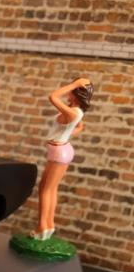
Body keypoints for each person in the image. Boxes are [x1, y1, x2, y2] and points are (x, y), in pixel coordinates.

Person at [31, 77, 94, 240]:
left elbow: (53, 96)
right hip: (61, 149)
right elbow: (79, 127)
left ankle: (42, 227)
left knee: (45, 190)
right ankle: (49, 225)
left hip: (59, 152)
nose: (68, 92)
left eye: (72, 90)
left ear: (76, 93)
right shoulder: (75, 111)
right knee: (50, 189)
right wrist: (67, 133)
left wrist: (74, 84)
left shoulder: (73, 112)